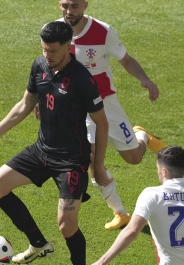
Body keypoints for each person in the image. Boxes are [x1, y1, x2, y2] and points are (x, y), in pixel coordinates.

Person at [0, 21, 110, 265]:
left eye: (52, 51)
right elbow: (26, 104)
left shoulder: (83, 80)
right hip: (41, 151)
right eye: (44, 49)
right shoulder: (39, 66)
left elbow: (102, 123)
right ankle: (38, 244)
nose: (47, 55)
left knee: (66, 223)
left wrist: (97, 166)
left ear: (68, 47)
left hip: (71, 160)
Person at [43, 0, 166, 230]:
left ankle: (141, 136)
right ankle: (120, 213)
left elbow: (126, 60)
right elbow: (49, 66)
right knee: (90, 159)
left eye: (75, 6)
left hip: (105, 104)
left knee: (133, 158)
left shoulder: (103, 31)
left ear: (85, 5)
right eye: (65, 5)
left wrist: (145, 79)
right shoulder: (54, 31)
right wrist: (43, 98)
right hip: (75, 108)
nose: (69, 12)